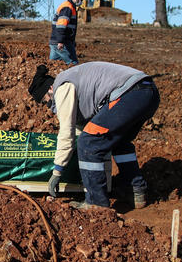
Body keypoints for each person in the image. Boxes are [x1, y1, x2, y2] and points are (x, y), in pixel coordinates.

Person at [29, 61, 159, 209]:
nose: (49, 105)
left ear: (50, 88)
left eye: (46, 100)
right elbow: (80, 128)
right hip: (147, 92)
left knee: (89, 142)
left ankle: (96, 203)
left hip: (131, 94)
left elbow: (67, 132)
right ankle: (135, 191)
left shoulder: (62, 87)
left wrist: (58, 170)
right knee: (118, 141)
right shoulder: (74, 80)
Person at [50, 0, 84, 65]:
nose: (82, 2)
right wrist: (60, 41)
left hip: (56, 41)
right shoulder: (68, 7)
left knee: (52, 64)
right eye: (81, 0)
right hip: (63, 42)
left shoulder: (69, 6)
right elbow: (61, 25)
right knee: (73, 64)